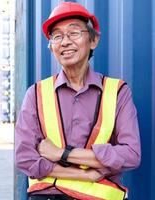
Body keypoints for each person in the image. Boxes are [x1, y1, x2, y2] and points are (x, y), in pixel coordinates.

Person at [15, 2, 141, 200]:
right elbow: (25, 159)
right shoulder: (36, 93)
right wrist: (85, 174)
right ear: (51, 47)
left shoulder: (117, 92)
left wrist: (60, 154)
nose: (64, 42)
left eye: (74, 33)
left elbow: (131, 155)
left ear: (93, 40)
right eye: (57, 36)